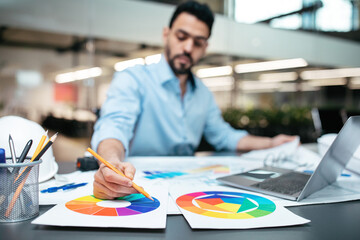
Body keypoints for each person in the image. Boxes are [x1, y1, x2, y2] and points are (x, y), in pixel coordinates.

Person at [90, 1, 297, 199]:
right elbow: (113, 126)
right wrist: (111, 163)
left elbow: (224, 136)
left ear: (205, 48)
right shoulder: (133, 79)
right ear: (166, 34)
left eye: (198, 42)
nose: (188, 48)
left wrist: (272, 142)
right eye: (182, 37)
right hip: (137, 186)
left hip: (186, 189)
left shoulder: (203, 94)